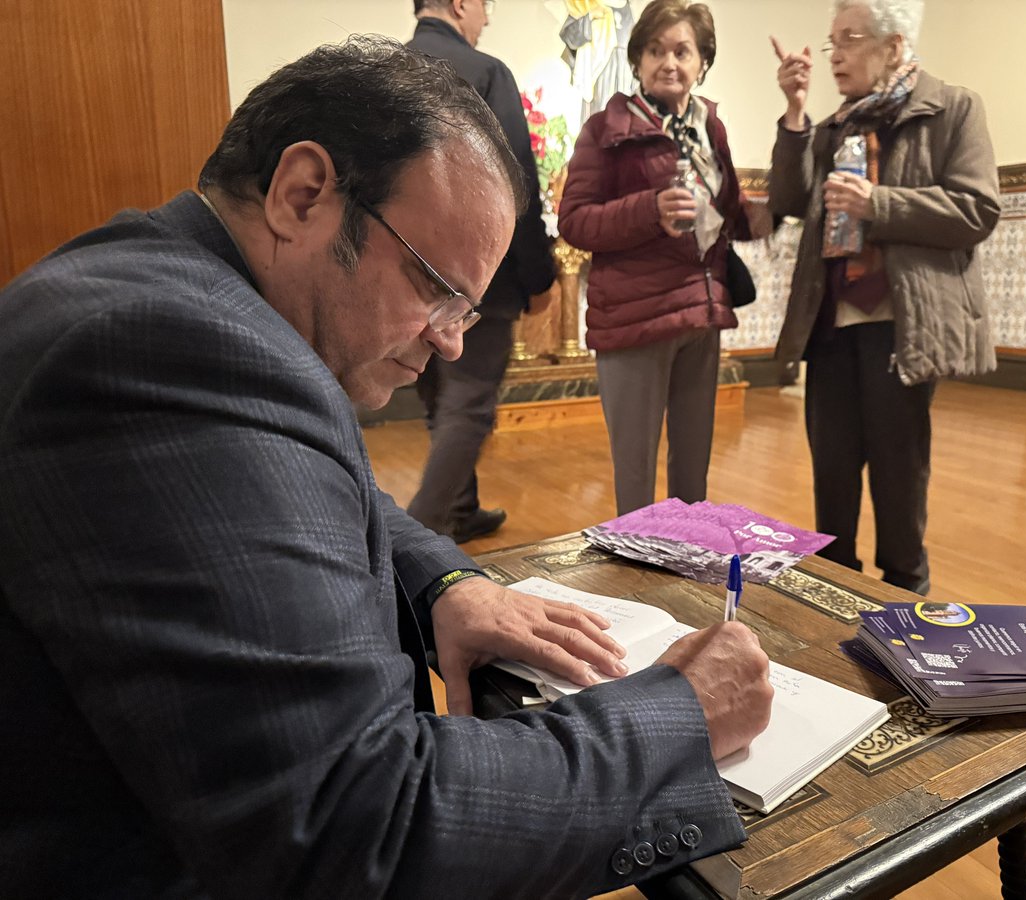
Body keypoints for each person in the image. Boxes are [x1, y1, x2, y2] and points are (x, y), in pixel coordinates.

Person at [0, 36, 774, 898]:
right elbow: (362, 828)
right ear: (304, 194)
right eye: (435, 286)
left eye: (467, 311)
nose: (448, 341)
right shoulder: (167, 354)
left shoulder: (166, 291)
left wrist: (444, 582)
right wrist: (678, 716)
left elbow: (313, 492)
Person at [768, 0, 1000, 595]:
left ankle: (907, 608)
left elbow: (977, 209)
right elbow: (790, 201)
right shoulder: (835, 125)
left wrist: (880, 205)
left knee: (900, 483)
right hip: (831, 325)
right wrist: (795, 113)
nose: (836, 54)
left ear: (895, 45)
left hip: (904, 329)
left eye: (851, 39)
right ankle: (834, 598)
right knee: (833, 481)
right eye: (831, 42)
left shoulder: (953, 108)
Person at [558, 0, 772, 516]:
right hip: (635, 318)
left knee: (692, 474)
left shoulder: (709, 129)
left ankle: (685, 580)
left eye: (682, 51)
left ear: (702, 62)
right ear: (637, 60)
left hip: (702, 314)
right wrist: (649, 209)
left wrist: (762, 212)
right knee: (635, 478)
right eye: (655, 50)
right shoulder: (604, 130)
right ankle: (632, 585)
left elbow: (727, 212)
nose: (669, 63)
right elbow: (575, 222)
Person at [404, 0, 558, 543]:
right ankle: (417, 537)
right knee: (468, 407)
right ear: (462, 3)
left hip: (403, 271)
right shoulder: (486, 72)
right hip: (477, 278)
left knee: (438, 399)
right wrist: (539, 277)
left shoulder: (389, 70)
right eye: (486, 6)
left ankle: (461, 510)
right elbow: (515, 188)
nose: (486, 18)